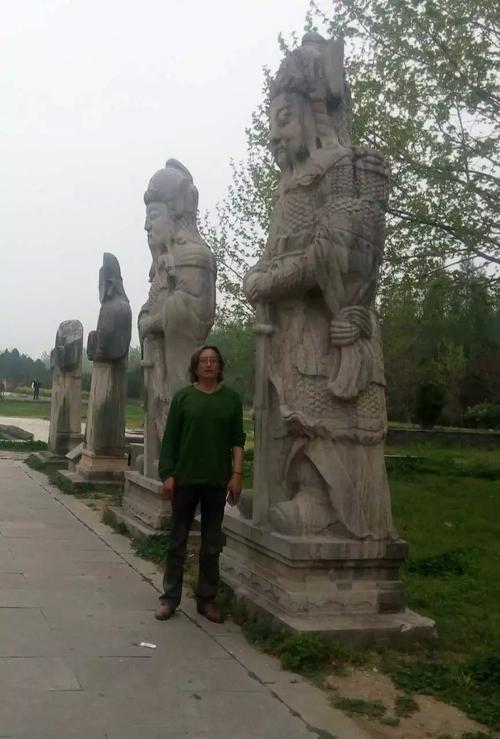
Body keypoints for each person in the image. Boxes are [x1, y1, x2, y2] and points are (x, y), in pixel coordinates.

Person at [155, 345, 245, 624]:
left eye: (213, 361)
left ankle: (207, 599)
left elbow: (237, 440)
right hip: (185, 480)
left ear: (220, 366)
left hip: (217, 481)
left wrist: (237, 475)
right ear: (195, 367)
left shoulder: (231, 400)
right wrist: (167, 474)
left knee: (211, 545)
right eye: (204, 361)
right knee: (177, 542)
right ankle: (170, 598)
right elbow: (170, 439)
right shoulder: (183, 398)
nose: (208, 365)